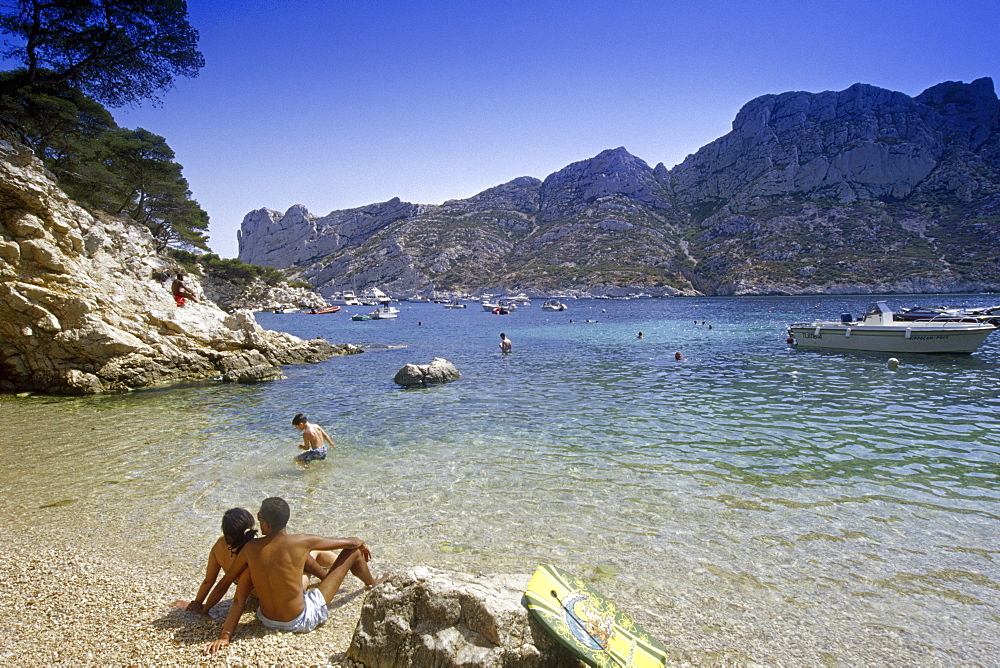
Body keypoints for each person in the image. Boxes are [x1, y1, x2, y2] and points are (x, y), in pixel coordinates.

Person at [200, 497, 386, 654]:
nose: (258, 520)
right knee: (353, 554)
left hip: (266, 619)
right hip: (300, 621)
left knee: (250, 571)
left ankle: (336, 579)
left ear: (267, 524)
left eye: (259, 517)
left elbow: (231, 592)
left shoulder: (250, 549)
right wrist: (361, 543)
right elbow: (350, 543)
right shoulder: (302, 541)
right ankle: (373, 583)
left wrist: (223, 634)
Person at [173, 509, 334, 614]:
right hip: (284, 595)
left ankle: (331, 572)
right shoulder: (255, 547)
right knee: (311, 551)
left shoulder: (218, 546)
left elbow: (210, 580)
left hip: (255, 595)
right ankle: (334, 574)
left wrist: (198, 604)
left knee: (303, 555)